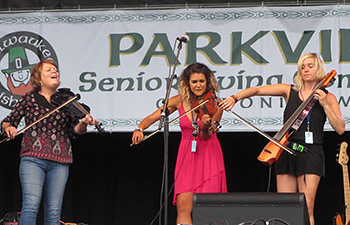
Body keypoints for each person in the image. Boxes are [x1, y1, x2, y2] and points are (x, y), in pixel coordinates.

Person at [220, 52, 345, 225]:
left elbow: (340, 128)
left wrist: (324, 104)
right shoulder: (289, 91)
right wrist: (235, 98)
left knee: (306, 208)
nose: (306, 70)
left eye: (310, 66)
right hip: (286, 149)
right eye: (303, 66)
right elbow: (257, 90)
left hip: (311, 153)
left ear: (319, 69)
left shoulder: (327, 97)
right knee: (285, 207)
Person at [1, 59, 98, 225]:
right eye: (49, 70)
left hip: (60, 161)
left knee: (54, 211)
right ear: (39, 79)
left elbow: (74, 132)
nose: (55, 72)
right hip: (33, 159)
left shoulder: (66, 100)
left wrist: (83, 123)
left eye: (56, 69)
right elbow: (8, 121)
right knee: (31, 206)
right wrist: (9, 128)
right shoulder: (29, 98)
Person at [132, 63, 227, 225]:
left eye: (202, 81)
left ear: (208, 82)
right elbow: (153, 117)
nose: (198, 85)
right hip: (187, 155)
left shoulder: (215, 104)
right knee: (183, 204)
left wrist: (205, 125)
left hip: (209, 153)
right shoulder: (178, 101)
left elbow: (206, 136)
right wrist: (140, 128)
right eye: (194, 82)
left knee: (209, 206)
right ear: (187, 83)